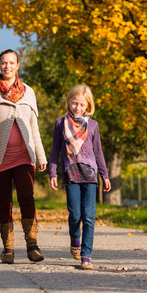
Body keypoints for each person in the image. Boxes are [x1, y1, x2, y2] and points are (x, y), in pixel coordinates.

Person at [0, 49, 47, 264]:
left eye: (11, 63)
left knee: (27, 197)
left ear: (18, 65)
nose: (7, 66)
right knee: (4, 202)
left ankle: (32, 244)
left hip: (24, 156)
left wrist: (41, 155)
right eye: (3, 63)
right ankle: (8, 247)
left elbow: (33, 127)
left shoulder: (29, 92)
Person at [48, 84, 111, 270]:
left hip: (90, 175)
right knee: (75, 214)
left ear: (88, 106)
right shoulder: (60, 124)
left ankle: (86, 256)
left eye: (82, 105)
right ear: (69, 102)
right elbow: (55, 151)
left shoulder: (93, 125)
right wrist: (53, 173)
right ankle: (75, 239)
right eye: (74, 103)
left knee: (89, 216)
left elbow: (98, 153)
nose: (78, 108)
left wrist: (104, 175)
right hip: (71, 174)